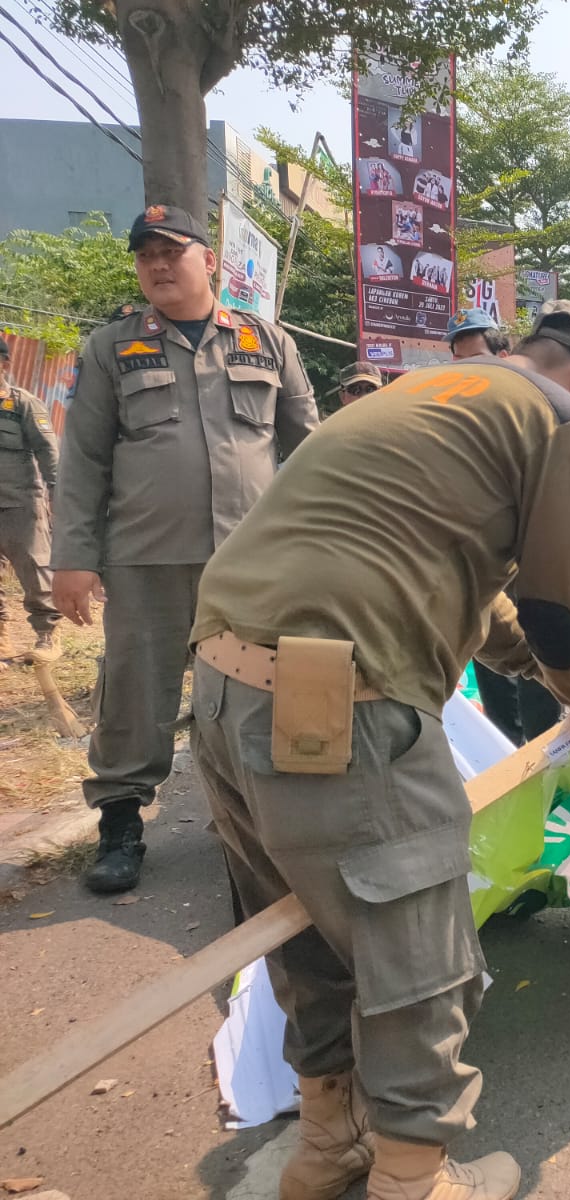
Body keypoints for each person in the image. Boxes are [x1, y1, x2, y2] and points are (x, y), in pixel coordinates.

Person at [188, 300, 570, 1200]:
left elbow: (491, 606)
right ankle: (412, 1179)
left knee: (303, 931)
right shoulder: (561, 416)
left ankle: (327, 1144)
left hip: (222, 679)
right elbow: (557, 606)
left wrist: (546, 676)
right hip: (337, 702)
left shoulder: (427, 392)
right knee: (417, 956)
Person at [52, 204, 318, 895]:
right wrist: (72, 558)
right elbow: (82, 463)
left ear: (209, 259)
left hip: (251, 559)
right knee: (136, 691)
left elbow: (313, 450)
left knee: (258, 690)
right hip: (147, 556)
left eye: (172, 251)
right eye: (145, 256)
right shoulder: (111, 349)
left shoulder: (268, 342)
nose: (158, 266)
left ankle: (258, 821)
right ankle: (120, 824)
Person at [447, 306, 564, 742]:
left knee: (541, 682)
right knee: (495, 688)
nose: (470, 371)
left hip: (531, 571)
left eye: (479, 357)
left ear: (504, 353)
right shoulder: (450, 417)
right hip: (482, 572)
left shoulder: (533, 410)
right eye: (460, 362)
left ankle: (544, 768)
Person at [0, 338, 62, 660]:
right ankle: (2, 637)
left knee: (35, 569)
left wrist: (56, 493)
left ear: (5, 365)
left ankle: (47, 635)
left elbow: (48, 450)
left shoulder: (22, 403)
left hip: (21, 503)